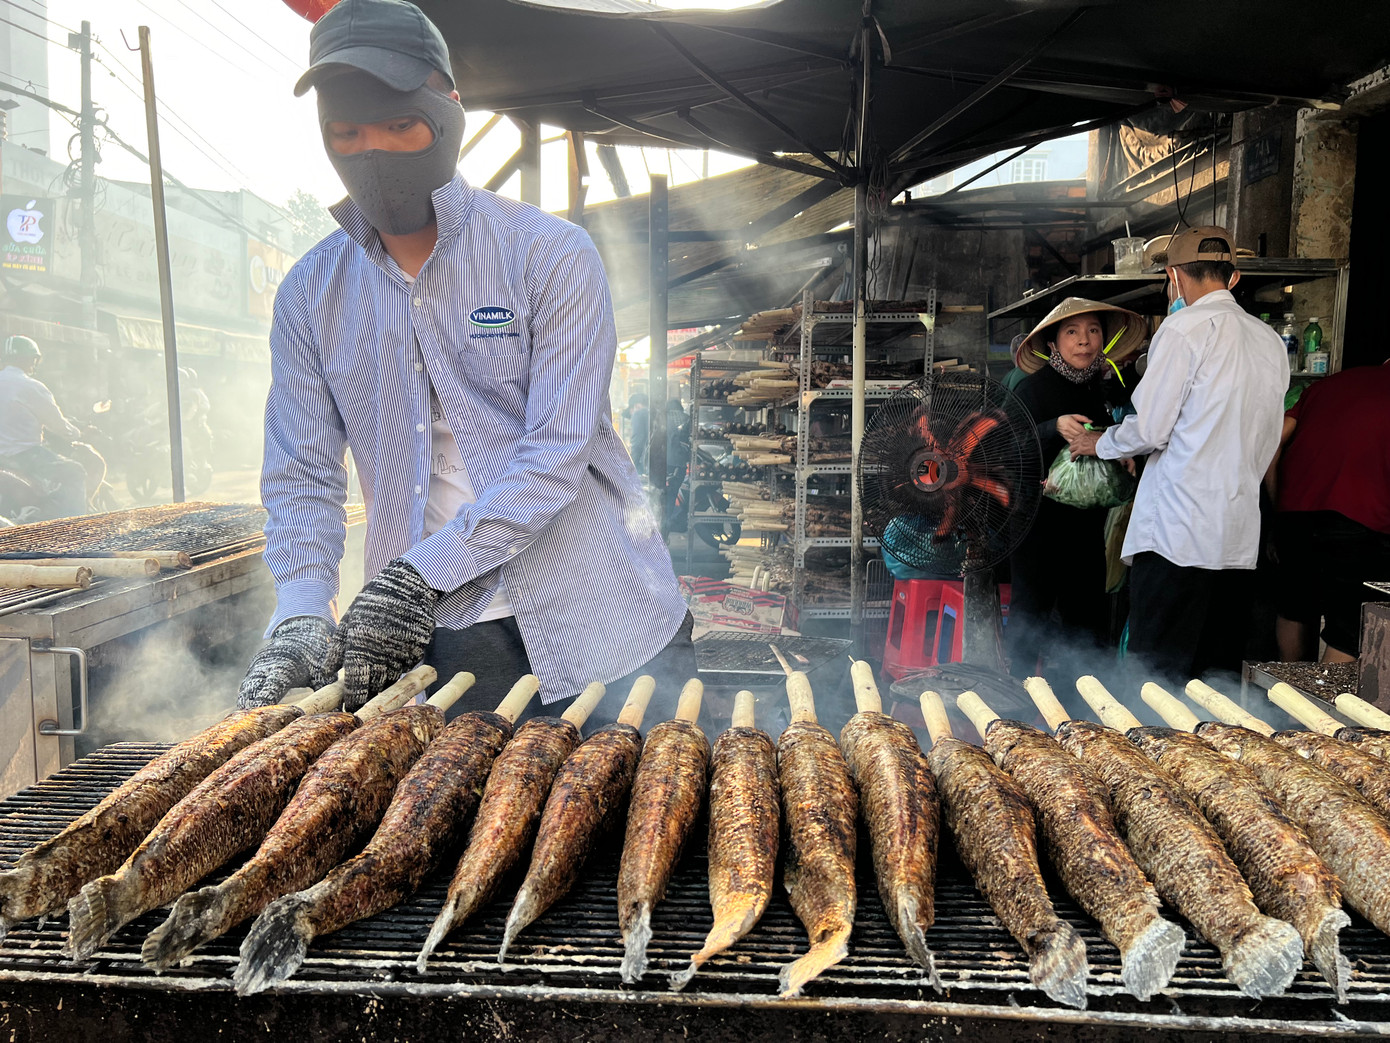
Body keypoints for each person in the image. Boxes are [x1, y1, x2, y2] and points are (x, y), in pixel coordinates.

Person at [238, 0, 693, 720]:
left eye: (400, 126)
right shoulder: (308, 295)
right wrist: (301, 606)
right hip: (437, 641)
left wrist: (420, 572)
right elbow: (301, 476)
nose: (374, 154)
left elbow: (554, 452)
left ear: (447, 111)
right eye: (346, 133)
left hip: (603, 623)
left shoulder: (549, 254)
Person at [1068, 226, 1288, 681]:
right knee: (1217, 677)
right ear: (1233, 277)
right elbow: (1268, 436)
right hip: (1236, 537)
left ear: (1174, 276)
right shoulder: (1268, 341)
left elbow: (1151, 427)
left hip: (1178, 536)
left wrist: (1100, 442)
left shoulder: (1183, 328)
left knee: (1161, 678)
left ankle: (1157, 751)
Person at [1006, 298, 1143, 677]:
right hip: (1036, 527)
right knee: (1029, 621)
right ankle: (1014, 710)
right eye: (1072, 332)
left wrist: (1119, 451)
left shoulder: (1106, 390)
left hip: (1085, 529)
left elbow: (1120, 436)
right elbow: (1003, 448)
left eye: (1093, 331)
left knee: (1087, 624)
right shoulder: (1032, 389)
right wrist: (1053, 428)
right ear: (1052, 343)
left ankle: (1085, 715)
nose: (1085, 341)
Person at [1268, 360, 1390, 662]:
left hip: (1295, 516)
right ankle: (1319, 709)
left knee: (1296, 610)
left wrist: (1275, 514)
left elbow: (1273, 442)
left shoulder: (1326, 386)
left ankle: (1286, 705)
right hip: (1361, 522)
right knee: (1351, 632)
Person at [0, 335, 90, 517]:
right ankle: (76, 527)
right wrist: (77, 433)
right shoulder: (30, 386)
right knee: (75, 472)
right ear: (27, 359)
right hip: (24, 455)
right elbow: (57, 425)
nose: (34, 364)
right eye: (34, 359)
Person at [623, 391, 650, 472]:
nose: (631, 415)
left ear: (636, 406)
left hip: (642, 461)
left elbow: (637, 441)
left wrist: (632, 463)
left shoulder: (638, 414)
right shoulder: (651, 413)